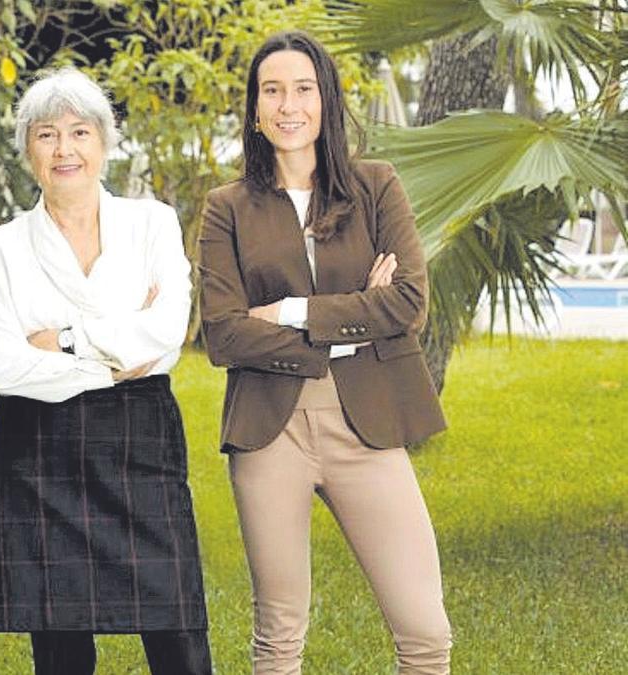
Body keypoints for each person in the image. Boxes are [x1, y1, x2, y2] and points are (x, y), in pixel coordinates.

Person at [198, 31, 452, 674]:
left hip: (368, 425)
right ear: (255, 109)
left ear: (326, 100)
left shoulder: (376, 186)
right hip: (269, 432)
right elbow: (223, 334)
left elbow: (408, 304)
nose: (289, 105)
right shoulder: (226, 207)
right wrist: (353, 324)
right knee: (278, 640)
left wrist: (289, 312)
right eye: (272, 90)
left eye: (304, 89)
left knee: (425, 635)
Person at [0, 68, 212, 675]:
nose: (64, 149)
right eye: (47, 134)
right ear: (29, 149)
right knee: (59, 639)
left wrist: (66, 342)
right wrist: (111, 364)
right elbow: (5, 367)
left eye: (80, 132)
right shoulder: (2, 245)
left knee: (175, 622)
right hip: (37, 446)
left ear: (104, 143)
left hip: (142, 435)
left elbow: (165, 336)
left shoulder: (151, 222)